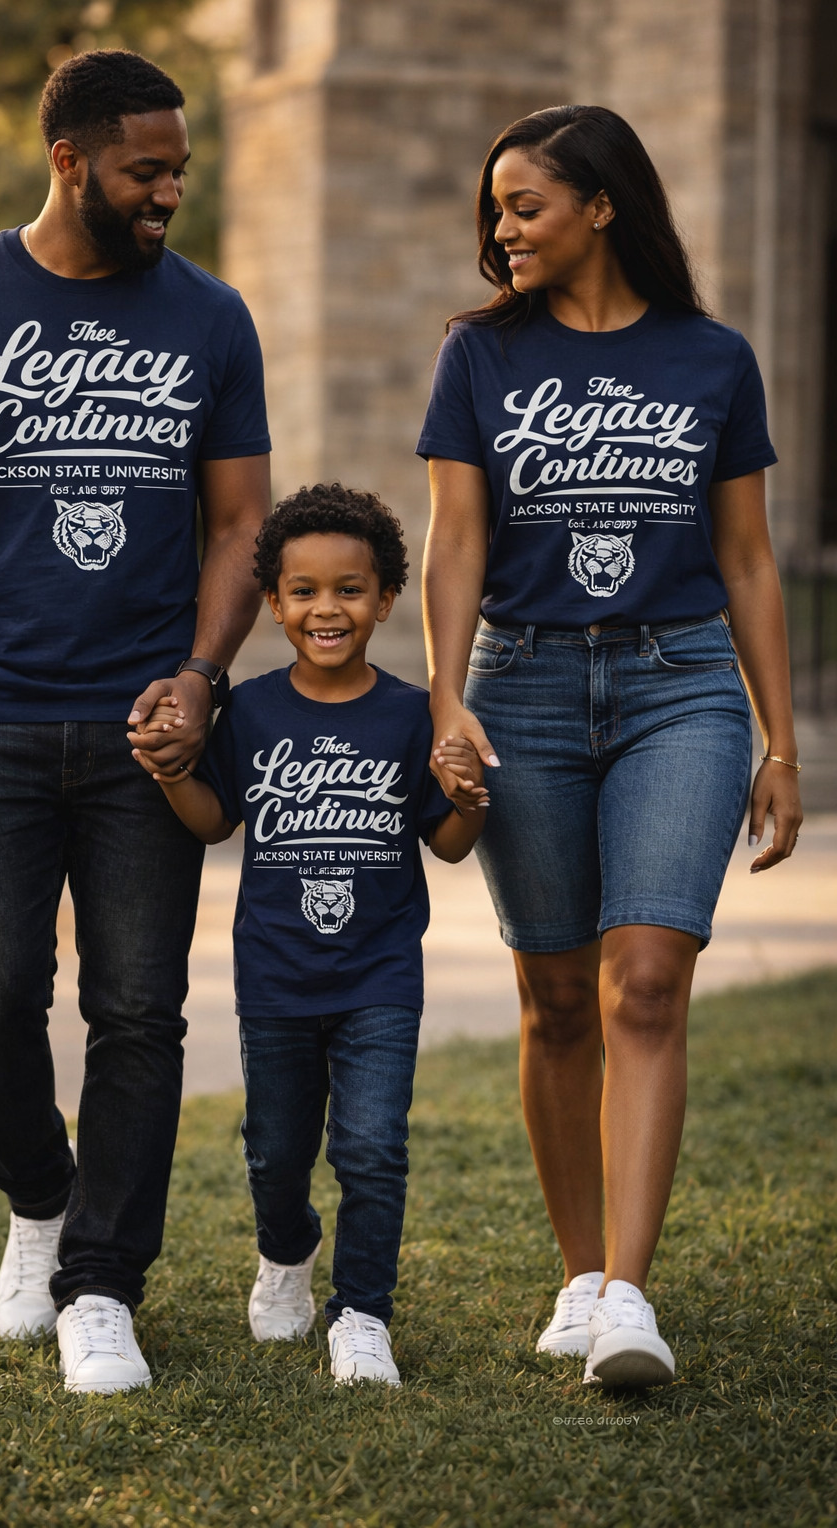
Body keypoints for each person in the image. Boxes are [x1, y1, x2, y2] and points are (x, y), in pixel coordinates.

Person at [0, 49, 271, 1395]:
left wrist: (202, 673)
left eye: (180, 172)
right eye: (147, 170)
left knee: (141, 1009)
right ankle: (41, 1195)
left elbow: (245, 518)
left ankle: (101, 1285)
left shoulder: (210, 317)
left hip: (149, 717)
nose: (168, 194)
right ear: (69, 159)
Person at [417, 105, 802, 1387]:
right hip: (517, 685)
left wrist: (780, 739)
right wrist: (444, 698)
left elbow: (746, 557)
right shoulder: (478, 357)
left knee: (646, 977)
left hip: (677, 684)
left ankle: (630, 1296)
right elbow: (458, 539)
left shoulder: (713, 357)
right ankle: (578, 1272)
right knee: (557, 995)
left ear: (599, 206)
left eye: (522, 204)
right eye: (495, 209)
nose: (501, 228)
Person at [132, 485, 489, 1385]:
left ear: (385, 599)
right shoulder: (247, 712)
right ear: (274, 602)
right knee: (276, 1148)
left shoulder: (413, 716)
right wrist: (172, 774)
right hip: (278, 975)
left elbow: (445, 844)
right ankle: (286, 1251)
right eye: (303, 591)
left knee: (372, 1146)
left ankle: (363, 1314)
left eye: (350, 590)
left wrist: (472, 801)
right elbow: (216, 823)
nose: (327, 609)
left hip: (379, 976)